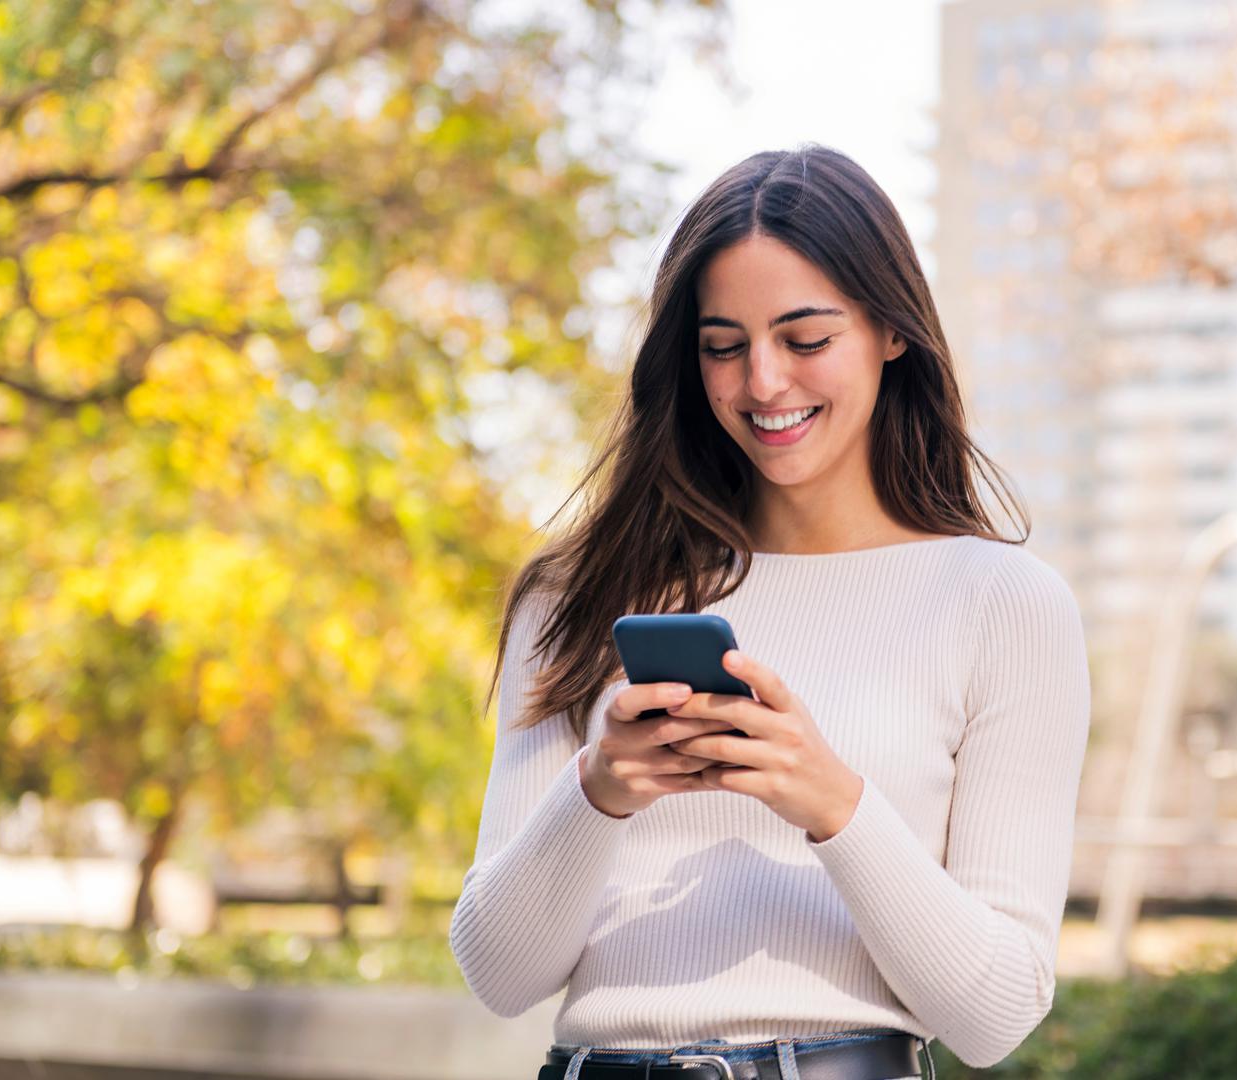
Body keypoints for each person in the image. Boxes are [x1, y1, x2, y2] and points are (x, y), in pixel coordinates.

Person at [449, 144, 1092, 1080]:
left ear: (891, 331)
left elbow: (995, 1014)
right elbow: (499, 975)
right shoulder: (577, 596)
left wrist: (828, 801)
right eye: (722, 346)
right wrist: (599, 790)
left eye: (805, 339)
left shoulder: (1003, 606)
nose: (761, 383)